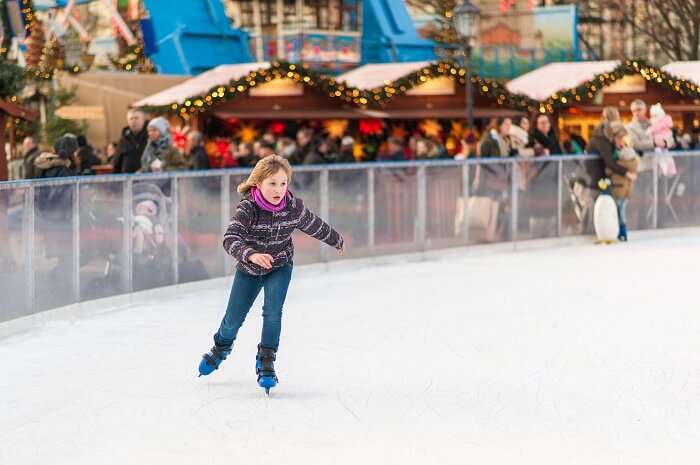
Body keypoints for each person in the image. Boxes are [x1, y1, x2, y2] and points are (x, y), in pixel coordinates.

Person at [197, 155, 344, 393]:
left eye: (283, 183)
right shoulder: (248, 208)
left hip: (280, 265)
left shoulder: (293, 208)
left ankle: (266, 361)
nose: (278, 190)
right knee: (233, 320)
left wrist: (335, 239)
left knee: (273, 312)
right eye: (272, 184)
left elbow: (314, 224)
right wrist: (251, 254)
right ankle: (221, 348)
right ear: (258, 183)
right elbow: (230, 238)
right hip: (249, 269)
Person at [586, 121, 637, 241]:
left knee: (613, 205)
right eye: (619, 137)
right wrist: (627, 172)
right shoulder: (601, 142)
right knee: (598, 207)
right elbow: (610, 162)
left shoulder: (606, 142)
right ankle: (598, 232)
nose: (621, 140)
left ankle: (615, 231)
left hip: (603, 179)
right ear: (613, 135)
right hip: (596, 179)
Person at [114, 109, 149, 173]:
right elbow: (117, 160)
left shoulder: (150, 136)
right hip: (126, 178)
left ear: (143, 120)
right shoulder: (124, 138)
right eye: (131, 119)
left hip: (146, 177)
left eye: (136, 118)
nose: (133, 121)